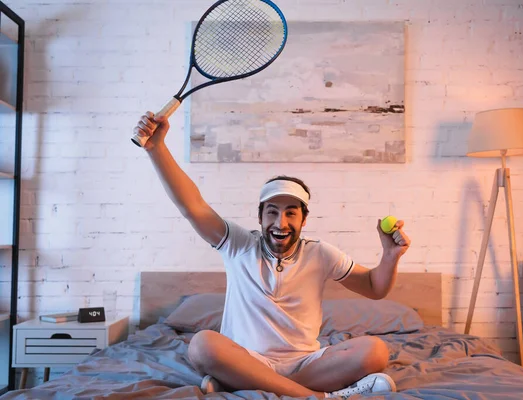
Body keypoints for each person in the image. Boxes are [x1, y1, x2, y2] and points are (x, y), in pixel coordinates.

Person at [133, 112, 411, 399]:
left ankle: (243, 384)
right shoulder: (238, 244)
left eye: (291, 213)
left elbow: (375, 288)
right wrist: (157, 148)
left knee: (375, 351)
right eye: (272, 212)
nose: (281, 223)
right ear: (260, 217)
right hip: (246, 359)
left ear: (304, 220)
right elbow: (193, 206)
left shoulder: (321, 253)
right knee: (202, 345)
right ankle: (315, 396)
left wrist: (390, 255)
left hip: (305, 363)